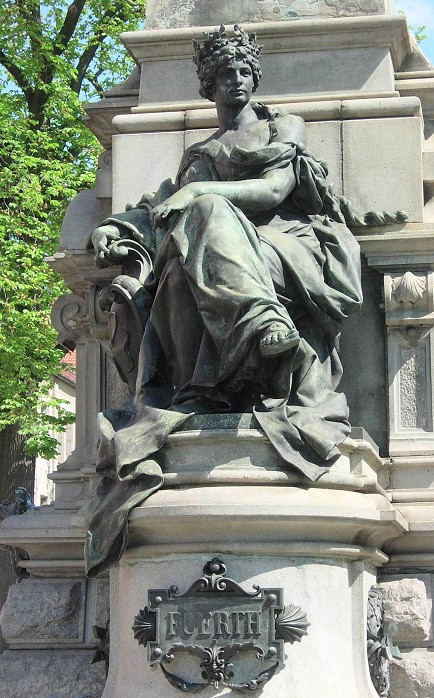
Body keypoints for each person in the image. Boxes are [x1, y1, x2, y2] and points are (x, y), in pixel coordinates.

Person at [85, 25, 363, 577]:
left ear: (254, 78)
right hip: (214, 254)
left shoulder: (282, 127)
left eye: (243, 72)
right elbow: (157, 211)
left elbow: (272, 192)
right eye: (223, 74)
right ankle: (253, 338)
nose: (235, 81)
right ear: (209, 86)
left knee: (207, 214)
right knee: (183, 257)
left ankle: (260, 324)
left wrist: (201, 192)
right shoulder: (199, 155)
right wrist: (112, 228)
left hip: (281, 243)